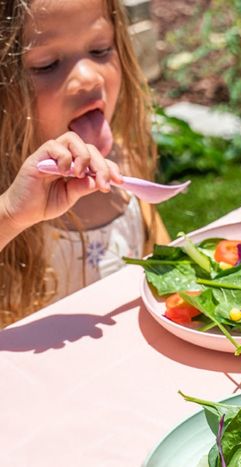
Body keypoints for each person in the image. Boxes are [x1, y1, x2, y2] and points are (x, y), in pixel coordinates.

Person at [0, 0, 170, 324]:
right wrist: (10, 212)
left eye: (101, 49)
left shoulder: (126, 163)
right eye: (47, 64)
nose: (88, 78)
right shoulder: (7, 196)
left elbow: (166, 270)